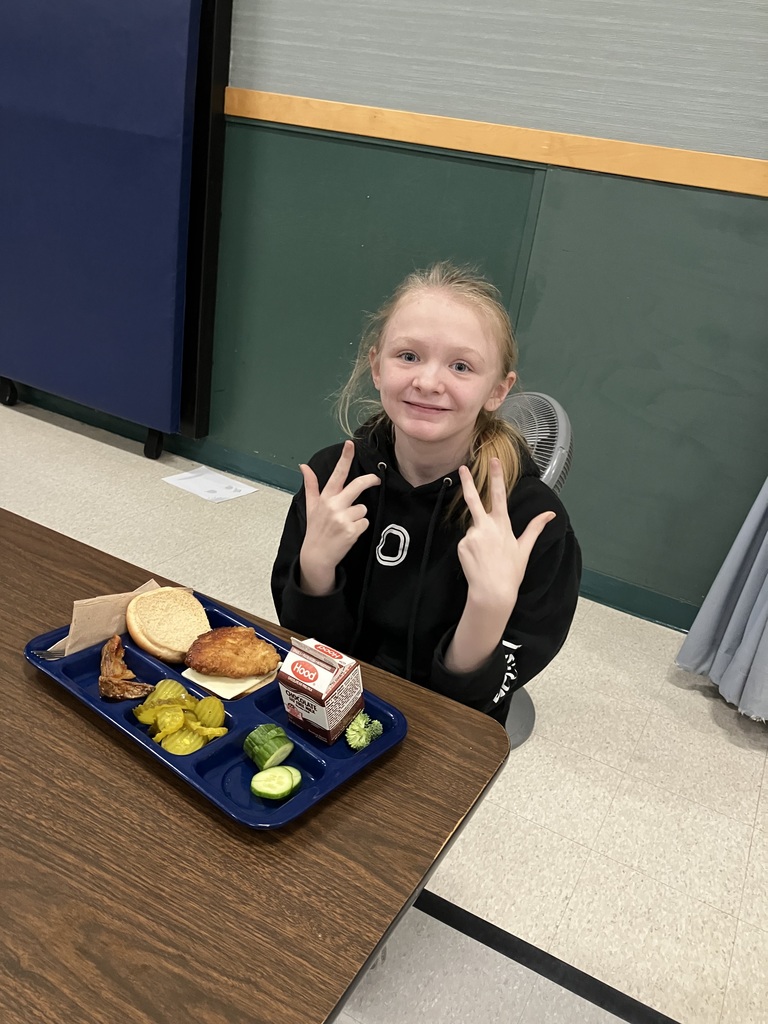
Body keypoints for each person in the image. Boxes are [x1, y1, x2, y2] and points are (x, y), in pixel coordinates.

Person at [270, 262, 581, 724]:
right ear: (376, 367)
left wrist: (488, 608)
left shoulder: (532, 523)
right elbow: (304, 644)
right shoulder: (333, 477)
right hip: (329, 712)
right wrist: (315, 570)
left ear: (498, 390)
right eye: (409, 356)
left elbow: (477, 704)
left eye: (461, 366)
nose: (428, 382)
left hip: (443, 734)